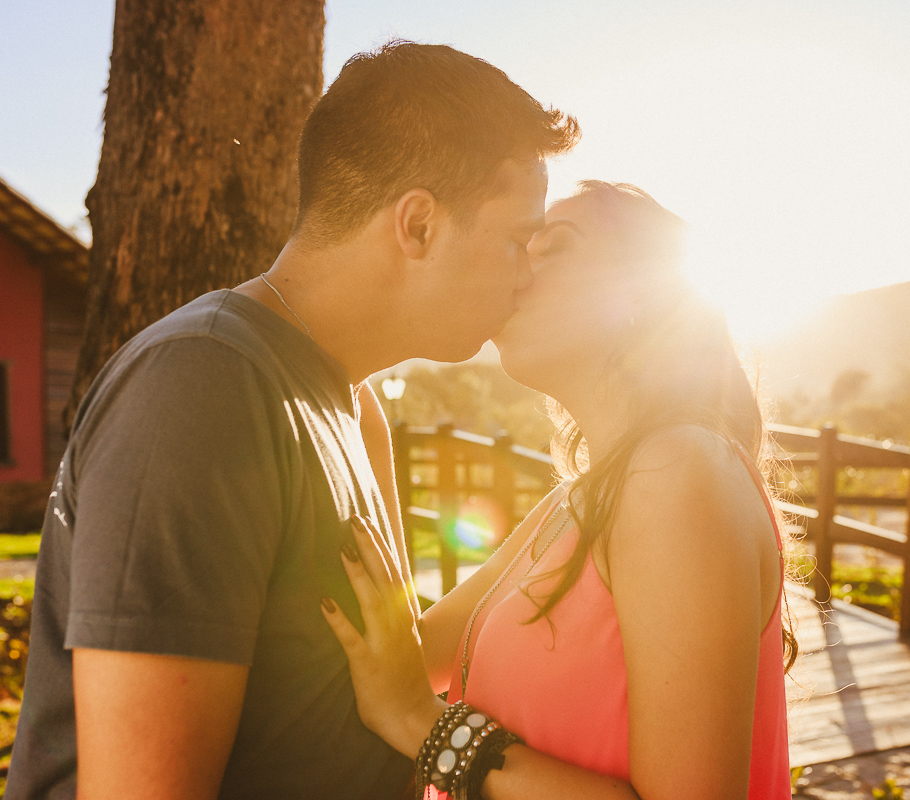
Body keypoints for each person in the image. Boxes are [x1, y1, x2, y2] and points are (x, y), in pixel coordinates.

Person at [7, 41, 578, 800]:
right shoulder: (204, 385)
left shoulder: (354, 408)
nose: (527, 272)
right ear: (417, 226)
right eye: (515, 240)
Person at [325, 181, 797, 799]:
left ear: (642, 296)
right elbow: (407, 657)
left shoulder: (680, 471)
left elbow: (407, 699)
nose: (518, 268)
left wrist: (424, 726)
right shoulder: (574, 501)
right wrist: (365, 421)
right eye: (522, 245)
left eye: (555, 247)